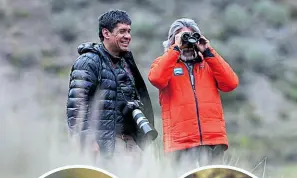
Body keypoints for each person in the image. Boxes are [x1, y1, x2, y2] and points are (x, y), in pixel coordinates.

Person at [67, 9, 156, 160]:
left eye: (129, 31)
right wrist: (87, 141)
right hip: (102, 146)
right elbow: (76, 106)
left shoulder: (126, 63)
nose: (128, 36)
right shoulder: (88, 62)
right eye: (122, 31)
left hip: (127, 144)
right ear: (106, 33)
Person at [148, 18, 239, 164]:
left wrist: (209, 51)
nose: (188, 44)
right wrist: (175, 49)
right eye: (183, 39)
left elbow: (231, 83)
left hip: (212, 141)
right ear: (172, 41)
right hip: (180, 143)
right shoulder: (164, 63)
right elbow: (157, 79)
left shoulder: (209, 63)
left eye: (191, 38)